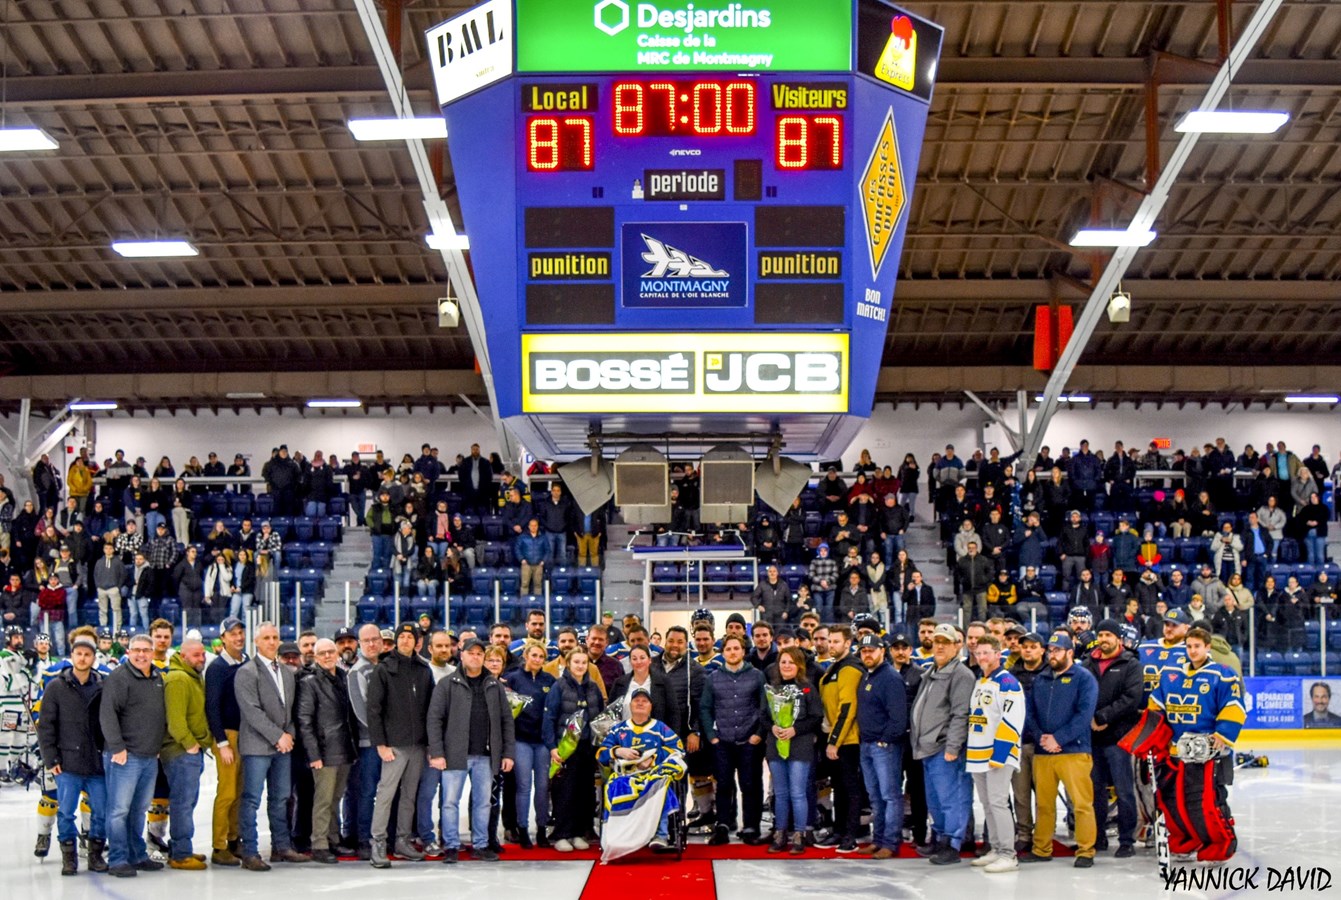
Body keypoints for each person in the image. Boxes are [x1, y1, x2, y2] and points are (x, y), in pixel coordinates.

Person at [1136, 626, 1245, 862]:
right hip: (1174, 751)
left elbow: (1234, 708)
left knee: (1204, 801)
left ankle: (1218, 844)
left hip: (1204, 752)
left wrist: (1221, 736)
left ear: (1207, 647)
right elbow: (1156, 707)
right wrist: (1151, 739)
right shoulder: (1170, 674)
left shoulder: (1223, 675)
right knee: (1172, 800)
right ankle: (1185, 841)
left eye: (1197, 646)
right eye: (1189, 646)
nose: (1193, 651)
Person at [428, 637, 516, 864]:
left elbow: (506, 721)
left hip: (486, 756)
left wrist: (508, 753)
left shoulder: (494, 685)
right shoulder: (447, 684)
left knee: (483, 802)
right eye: (471, 653)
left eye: (479, 653)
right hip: (454, 754)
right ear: (462, 655)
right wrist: (437, 752)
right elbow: (434, 719)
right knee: (449, 802)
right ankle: (451, 845)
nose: (475, 657)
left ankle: (480, 844)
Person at [234, 622, 309, 871]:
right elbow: (252, 711)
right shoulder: (247, 672)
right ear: (256, 641)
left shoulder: (287, 672)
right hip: (257, 746)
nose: (272, 641)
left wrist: (289, 735)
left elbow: (291, 710)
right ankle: (250, 851)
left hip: (282, 747)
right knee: (252, 799)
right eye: (266, 637)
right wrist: (278, 736)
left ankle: (282, 846)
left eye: (275, 637)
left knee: (281, 798)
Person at [1021, 632, 1099, 867]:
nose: (1051, 654)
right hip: (1043, 752)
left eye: (1056, 650)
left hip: (1074, 751)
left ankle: (1086, 851)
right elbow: (1030, 713)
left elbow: (1084, 715)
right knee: (1044, 805)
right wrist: (1041, 738)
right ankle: (1041, 848)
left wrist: (1059, 739)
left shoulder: (1084, 678)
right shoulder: (1041, 679)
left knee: (1081, 804)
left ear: (1070, 653)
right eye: (1050, 650)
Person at [37, 633, 108, 876]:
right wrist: (50, 758)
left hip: (97, 763)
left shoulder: (103, 685)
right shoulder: (56, 686)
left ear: (93, 658)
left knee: (100, 812)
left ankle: (96, 854)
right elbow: (46, 726)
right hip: (67, 763)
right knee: (66, 813)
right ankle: (69, 856)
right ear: (72, 656)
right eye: (79, 654)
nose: (82, 658)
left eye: (87, 654)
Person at [366, 621, 434, 867]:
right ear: (396, 641)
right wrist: (381, 743)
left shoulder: (424, 670)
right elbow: (374, 710)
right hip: (393, 745)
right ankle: (378, 842)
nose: (406, 640)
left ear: (417, 641)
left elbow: (430, 709)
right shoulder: (384, 669)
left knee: (409, 796)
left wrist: (429, 744)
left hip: (417, 745)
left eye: (410, 637)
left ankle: (403, 840)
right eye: (401, 636)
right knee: (385, 794)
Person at [99, 632, 167, 878]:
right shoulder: (119, 677)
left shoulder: (158, 676)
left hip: (149, 756)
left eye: (145, 650)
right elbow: (107, 714)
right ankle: (117, 859)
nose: (141, 654)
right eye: (136, 650)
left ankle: (137, 854)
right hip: (124, 757)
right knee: (118, 810)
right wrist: (117, 748)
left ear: (152, 653)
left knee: (139, 810)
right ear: (129, 652)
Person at [910, 623, 974, 865]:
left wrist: (952, 747)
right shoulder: (930, 672)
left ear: (957, 646)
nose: (939, 646)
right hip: (927, 747)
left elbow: (961, 714)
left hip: (944, 748)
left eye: (945, 643)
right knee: (935, 799)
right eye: (937, 642)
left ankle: (952, 843)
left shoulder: (961, 675)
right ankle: (939, 838)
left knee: (952, 798)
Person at [597, 685, 688, 855]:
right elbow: (601, 753)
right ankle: (618, 836)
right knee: (615, 785)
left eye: (644, 701)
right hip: (626, 775)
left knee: (660, 787)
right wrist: (617, 751)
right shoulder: (619, 729)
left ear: (651, 706)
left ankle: (660, 835)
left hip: (653, 774)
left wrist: (653, 757)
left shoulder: (660, 728)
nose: (640, 703)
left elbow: (678, 750)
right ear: (630, 706)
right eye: (636, 701)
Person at [1081, 619, 1143, 857]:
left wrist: (1103, 716)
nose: (1104, 638)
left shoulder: (1131, 664)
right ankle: (1097, 838)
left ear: (1118, 638)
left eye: (1109, 634)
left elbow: (1131, 698)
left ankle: (1127, 840)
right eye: (1101, 634)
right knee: (1094, 791)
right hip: (1092, 739)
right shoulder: (1087, 663)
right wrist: (1089, 719)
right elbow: (1081, 695)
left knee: (1124, 790)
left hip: (1119, 738)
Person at [965, 633, 1025, 873]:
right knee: (987, 804)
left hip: (997, 754)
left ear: (998, 655)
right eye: (978, 653)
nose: (981, 657)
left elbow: (1013, 719)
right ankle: (997, 849)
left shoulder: (1008, 682)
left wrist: (1000, 753)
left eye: (986, 653)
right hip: (978, 753)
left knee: (999, 803)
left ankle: (1009, 854)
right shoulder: (980, 682)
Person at [700, 634, 767, 846]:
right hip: (723, 742)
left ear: (743, 651)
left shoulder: (757, 676)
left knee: (750, 784)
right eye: (728, 649)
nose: (732, 652)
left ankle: (750, 826)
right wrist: (712, 737)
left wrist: (758, 734)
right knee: (724, 785)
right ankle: (722, 826)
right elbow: (705, 708)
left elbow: (765, 707)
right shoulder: (713, 678)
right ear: (723, 652)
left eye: (736, 648)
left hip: (750, 740)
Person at [295, 637, 356, 864]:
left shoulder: (342, 678)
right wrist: (314, 754)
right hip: (324, 751)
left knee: (335, 798)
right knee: (323, 800)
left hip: (343, 748)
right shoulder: (309, 682)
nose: (328, 656)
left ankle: (333, 838)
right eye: (323, 653)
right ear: (316, 657)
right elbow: (304, 721)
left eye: (331, 651)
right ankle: (319, 843)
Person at [760, 645, 820, 854]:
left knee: (797, 792)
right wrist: (772, 727)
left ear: (799, 665)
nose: (786, 666)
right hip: (776, 745)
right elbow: (763, 716)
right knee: (781, 793)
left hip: (800, 746)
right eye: (783, 662)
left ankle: (799, 834)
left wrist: (795, 730)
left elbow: (816, 717)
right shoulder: (771, 688)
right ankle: (780, 832)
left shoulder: (807, 688)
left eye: (791, 662)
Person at [543, 646, 604, 851]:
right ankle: (562, 833)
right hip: (565, 748)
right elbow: (549, 718)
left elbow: (600, 717)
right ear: (568, 664)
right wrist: (552, 748)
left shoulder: (593, 687)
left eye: (583, 662)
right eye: (576, 662)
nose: (580, 666)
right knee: (564, 792)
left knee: (584, 792)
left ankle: (578, 832)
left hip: (588, 748)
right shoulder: (558, 687)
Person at [161, 638, 214, 869]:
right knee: (182, 803)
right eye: (196, 655)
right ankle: (181, 854)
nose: (201, 658)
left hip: (190, 752)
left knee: (187, 802)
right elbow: (176, 722)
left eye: (203, 654)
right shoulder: (178, 679)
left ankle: (181, 847)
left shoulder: (192, 675)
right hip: (181, 752)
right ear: (183, 656)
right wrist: (190, 744)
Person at [855, 633, 908, 859]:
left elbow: (898, 717)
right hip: (867, 744)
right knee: (875, 796)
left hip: (884, 746)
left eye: (871, 651)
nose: (867, 654)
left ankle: (891, 842)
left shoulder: (890, 678)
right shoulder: (868, 676)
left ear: (881, 651)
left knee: (890, 795)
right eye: (864, 651)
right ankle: (878, 839)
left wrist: (884, 739)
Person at [814, 625, 864, 851]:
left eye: (836, 641)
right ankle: (839, 829)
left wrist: (835, 740)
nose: (831, 645)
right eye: (830, 641)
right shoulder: (835, 667)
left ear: (848, 643)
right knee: (839, 788)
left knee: (849, 788)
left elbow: (847, 709)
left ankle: (850, 834)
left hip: (847, 740)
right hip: (833, 737)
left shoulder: (850, 669)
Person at [203, 616, 248, 866]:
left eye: (241, 632)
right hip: (228, 736)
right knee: (227, 791)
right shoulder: (217, 668)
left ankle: (233, 839)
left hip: (246, 735)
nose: (238, 637)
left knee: (239, 792)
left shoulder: (247, 662)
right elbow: (212, 706)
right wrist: (221, 742)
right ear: (223, 638)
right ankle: (219, 846)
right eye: (233, 633)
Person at [504, 642, 556, 848]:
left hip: (542, 742)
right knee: (523, 786)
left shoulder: (549, 680)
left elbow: (552, 711)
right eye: (533, 655)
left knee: (543, 787)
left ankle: (541, 828)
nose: (537, 659)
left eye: (541, 657)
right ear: (526, 655)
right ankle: (522, 828)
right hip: (521, 741)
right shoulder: (513, 678)